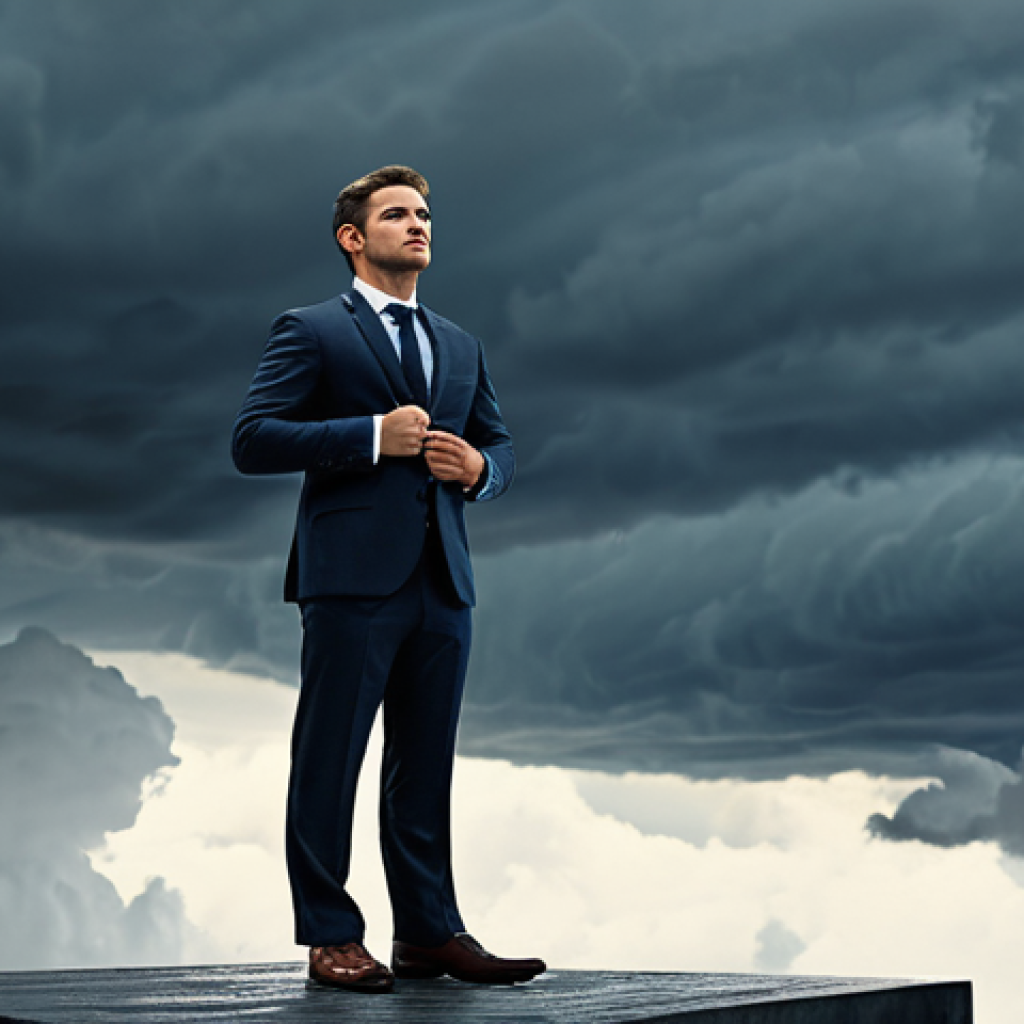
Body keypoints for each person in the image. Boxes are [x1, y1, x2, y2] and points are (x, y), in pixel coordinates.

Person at [231, 166, 545, 994]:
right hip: (349, 579)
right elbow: (253, 439)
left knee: (425, 763)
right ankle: (331, 934)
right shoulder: (309, 330)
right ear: (352, 237)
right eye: (398, 213)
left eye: (425, 214)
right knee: (329, 757)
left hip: (445, 579)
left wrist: (480, 470)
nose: (418, 225)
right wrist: (371, 435)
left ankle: (429, 933)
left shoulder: (461, 343)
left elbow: (501, 447)